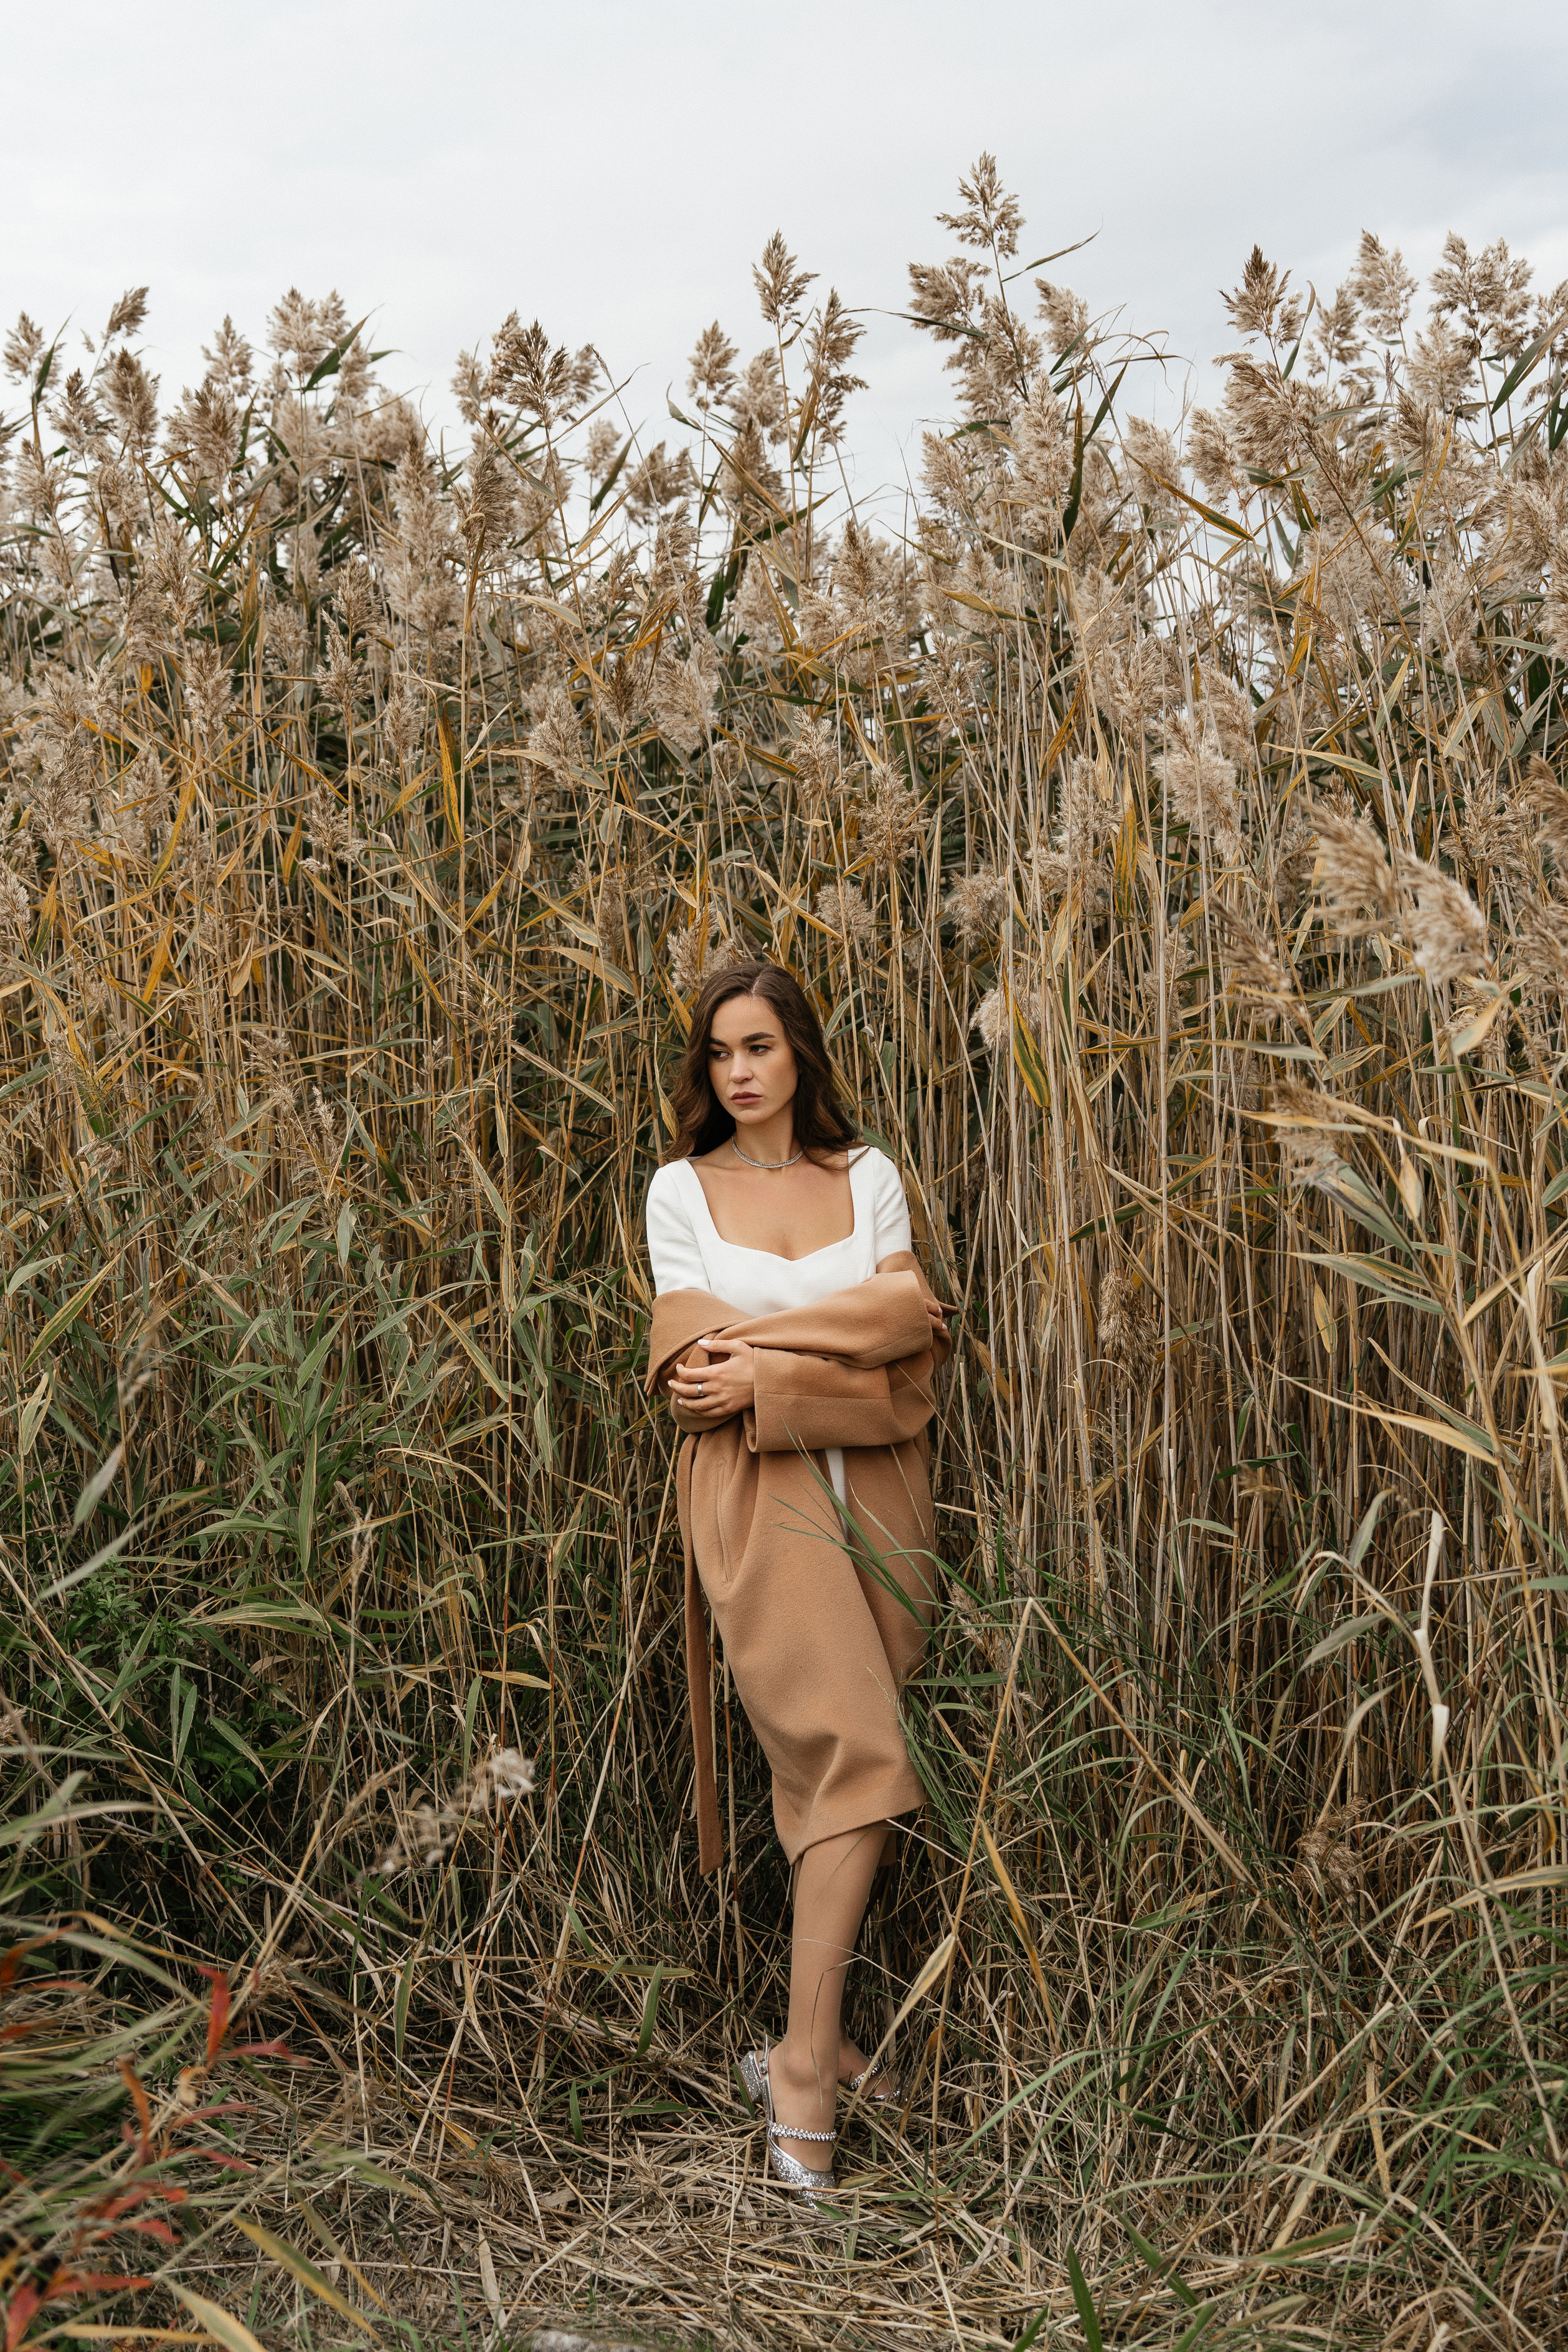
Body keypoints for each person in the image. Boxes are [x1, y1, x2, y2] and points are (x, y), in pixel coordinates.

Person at [643, 960, 947, 2204]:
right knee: (861, 1758)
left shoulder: (862, 1176)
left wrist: (764, 1364)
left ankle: (796, 2042)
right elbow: (688, 1363)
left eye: (758, 1044)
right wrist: (831, 1338)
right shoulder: (681, 1188)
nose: (738, 1070)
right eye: (718, 1051)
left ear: (798, 1053)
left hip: (880, 1487)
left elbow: (909, 1343)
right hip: (755, 1494)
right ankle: (808, 2068)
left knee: (838, 1776)